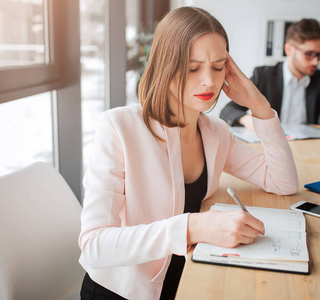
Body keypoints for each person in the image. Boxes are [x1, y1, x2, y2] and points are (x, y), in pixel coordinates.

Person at [78, 7, 298, 300]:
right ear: (164, 66)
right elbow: (94, 244)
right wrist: (194, 226)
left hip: (189, 277)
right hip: (122, 291)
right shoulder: (118, 128)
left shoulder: (215, 132)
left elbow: (283, 182)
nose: (209, 81)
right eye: (193, 68)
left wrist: (259, 106)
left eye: (219, 67)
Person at [220, 18, 320, 133]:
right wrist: (246, 119)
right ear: (288, 49)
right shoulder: (264, 75)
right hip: (272, 146)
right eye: (309, 54)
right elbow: (228, 110)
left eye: (319, 54)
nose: (316, 61)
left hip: (308, 148)